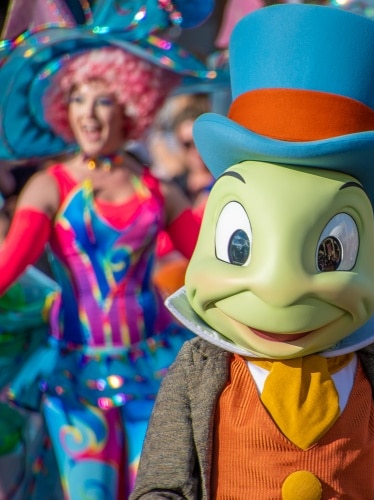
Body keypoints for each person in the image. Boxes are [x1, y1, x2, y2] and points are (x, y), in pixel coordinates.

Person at [134, 5, 374, 497]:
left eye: (332, 254)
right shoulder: (200, 370)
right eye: (239, 246)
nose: (279, 290)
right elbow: (162, 484)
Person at [0, 0, 217, 492]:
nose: (89, 114)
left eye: (101, 100)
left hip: (153, 371)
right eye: (77, 98)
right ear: (63, 108)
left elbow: (209, 264)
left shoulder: (159, 190)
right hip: (75, 378)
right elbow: (8, 267)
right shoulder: (49, 187)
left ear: (130, 104)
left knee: (159, 491)